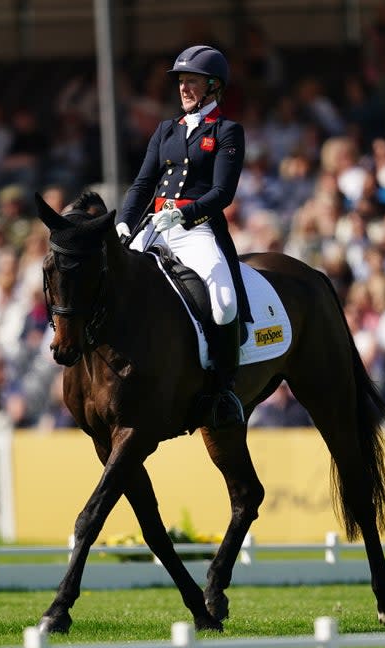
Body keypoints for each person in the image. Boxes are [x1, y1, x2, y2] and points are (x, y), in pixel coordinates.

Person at [115, 45, 248, 428]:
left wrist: (184, 213)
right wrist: (125, 221)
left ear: (212, 86)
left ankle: (223, 393)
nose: (184, 87)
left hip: (196, 228)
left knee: (223, 303)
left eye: (191, 81)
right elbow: (143, 183)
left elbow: (223, 192)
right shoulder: (166, 129)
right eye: (181, 81)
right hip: (154, 225)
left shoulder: (226, 131)